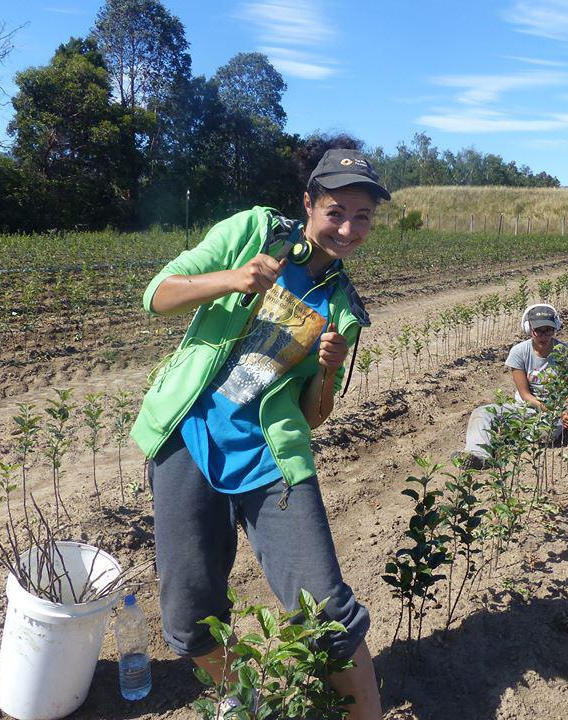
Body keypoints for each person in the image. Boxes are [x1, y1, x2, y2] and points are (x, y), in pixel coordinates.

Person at [130, 143, 389, 719]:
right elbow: (158, 296)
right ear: (308, 204)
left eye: (362, 216)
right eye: (335, 212)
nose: (347, 228)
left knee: (327, 615)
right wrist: (231, 279)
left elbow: (313, 414)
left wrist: (326, 370)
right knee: (189, 619)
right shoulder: (252, 232)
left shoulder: (341, 304)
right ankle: (252, 699)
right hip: (188, 440)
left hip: (271, 462)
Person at [455, 303, 568, 469]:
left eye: (548, 330)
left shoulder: (564, 351)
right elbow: (525, 395)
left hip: (552, 413)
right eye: (539, 331)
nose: (544, 336)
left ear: (556, 327)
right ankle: (478, 455)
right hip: (525, 408)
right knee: (481, 413)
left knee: (545, 433)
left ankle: (513, 433)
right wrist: (553, 411)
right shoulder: (519, 352)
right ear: (529, 329)